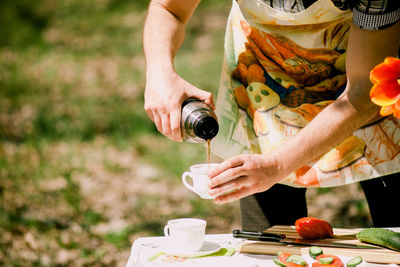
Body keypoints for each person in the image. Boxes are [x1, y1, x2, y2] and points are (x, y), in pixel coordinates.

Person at [143, 0, 400, 231]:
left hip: (359, 85)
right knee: (267, 241)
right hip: (261, 79)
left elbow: (365, 93)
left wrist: (277, 165)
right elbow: (169, 9)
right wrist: (159, 73)